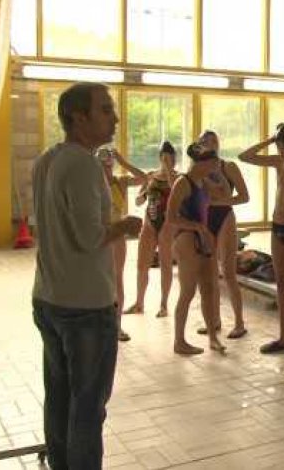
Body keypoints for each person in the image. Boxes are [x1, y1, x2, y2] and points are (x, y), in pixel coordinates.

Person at [32, 82, 142, 470]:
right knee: (87, 408)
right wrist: (124, 225)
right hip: (85, 307)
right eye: (106, 109)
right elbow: (88, 237)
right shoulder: (84, 165)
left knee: (59, 397)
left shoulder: (47, 160)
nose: (115, 118)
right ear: (79, 117)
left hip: (49, 297)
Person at [239, 123, 284, 359]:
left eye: (283, 147)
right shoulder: (278, 161)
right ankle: (283, 338)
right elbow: (244, 156)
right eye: (278, 147)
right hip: (277, 227)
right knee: (281, 283)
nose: (280, 151)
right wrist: (269, 140)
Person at [167, 143, 226, 355]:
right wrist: (197, 227)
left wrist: (219, 173)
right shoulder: (182, 183)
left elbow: (223, 193)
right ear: (200, 163)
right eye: (211, 163)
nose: (214, 166)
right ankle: (179, 341)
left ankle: (213, 338)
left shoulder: (204, 182)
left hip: (203, 238)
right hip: (186, 238)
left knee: (208, 289)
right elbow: (171, 217)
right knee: (188, 291)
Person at [196, 130, 250, 339]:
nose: (209, 144)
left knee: (228, 273)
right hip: (206, 220)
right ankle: (215, 320)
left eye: (213, 141)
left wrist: (220, 201)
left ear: (218, 144)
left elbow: (244, 197)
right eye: (205, 141)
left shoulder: (229, 167)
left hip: (224, 217)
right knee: (210, 274)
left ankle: (239, 323)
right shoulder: (199, 169)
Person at [96, 147, 148, 342]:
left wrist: (123, 161)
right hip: (100, 235)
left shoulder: (121, 182)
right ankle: (102, 324)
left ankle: (117, 325)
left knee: (117, 278)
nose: (106, 168)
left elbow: (144, 178)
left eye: (108, 164)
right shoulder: (92, 185)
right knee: (100, 280)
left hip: (117, 235)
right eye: (102, 165)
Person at [124, 142, 178, 318]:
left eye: (170, 158)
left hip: (168, 223)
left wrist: (168, 171)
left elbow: (178, 195)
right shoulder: (150, 176)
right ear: (160, 158)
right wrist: (144, 192)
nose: (167, 161)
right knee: (142, 264)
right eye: (164, 158)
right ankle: (139, 303)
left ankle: (164, 304)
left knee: (165, 264)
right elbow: (138, 201)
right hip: (149, 222)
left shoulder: (179, 178)